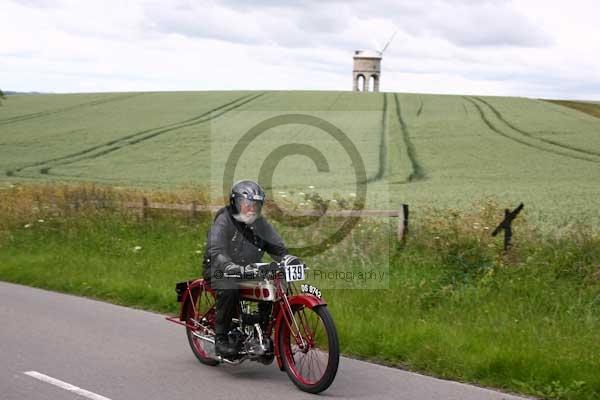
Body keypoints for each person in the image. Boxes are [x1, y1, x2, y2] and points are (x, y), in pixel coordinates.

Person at [202, 180, 290, 357]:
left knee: (273, 284)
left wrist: (289, 260)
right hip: (219, 268)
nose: (252, 208)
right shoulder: (224, 219)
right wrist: (229, 266)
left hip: (246, 269)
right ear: (236, 203)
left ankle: (262, 334)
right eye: (248, 203)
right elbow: (216, 249)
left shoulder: (260, 223)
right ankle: (221, 340)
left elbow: (277, 248)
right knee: (230, 288)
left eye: (256, 204)